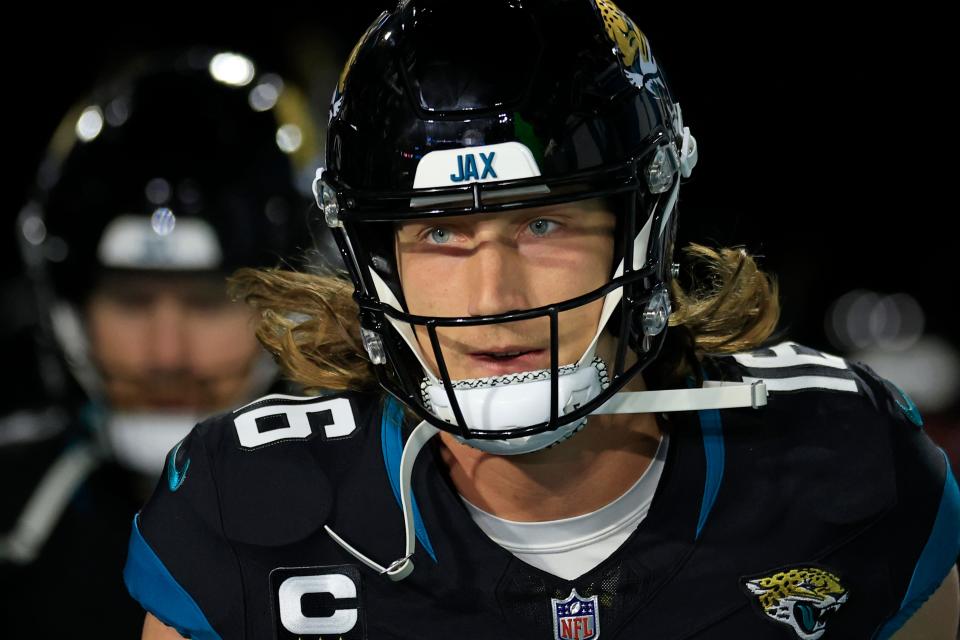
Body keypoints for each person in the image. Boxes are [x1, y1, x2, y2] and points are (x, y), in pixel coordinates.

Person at [125, 2, 960, 638]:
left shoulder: (849, 465)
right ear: (375, 258)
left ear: (645, 225)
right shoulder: (243, 508)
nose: (496, 296)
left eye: (544, 223)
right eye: (442, 231)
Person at [1, 48, 323, 635]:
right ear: (70, 309)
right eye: (130, 301)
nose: (166, 354)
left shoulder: (392, 510)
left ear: (297, 305)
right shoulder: (13, 513)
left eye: (209, 301)